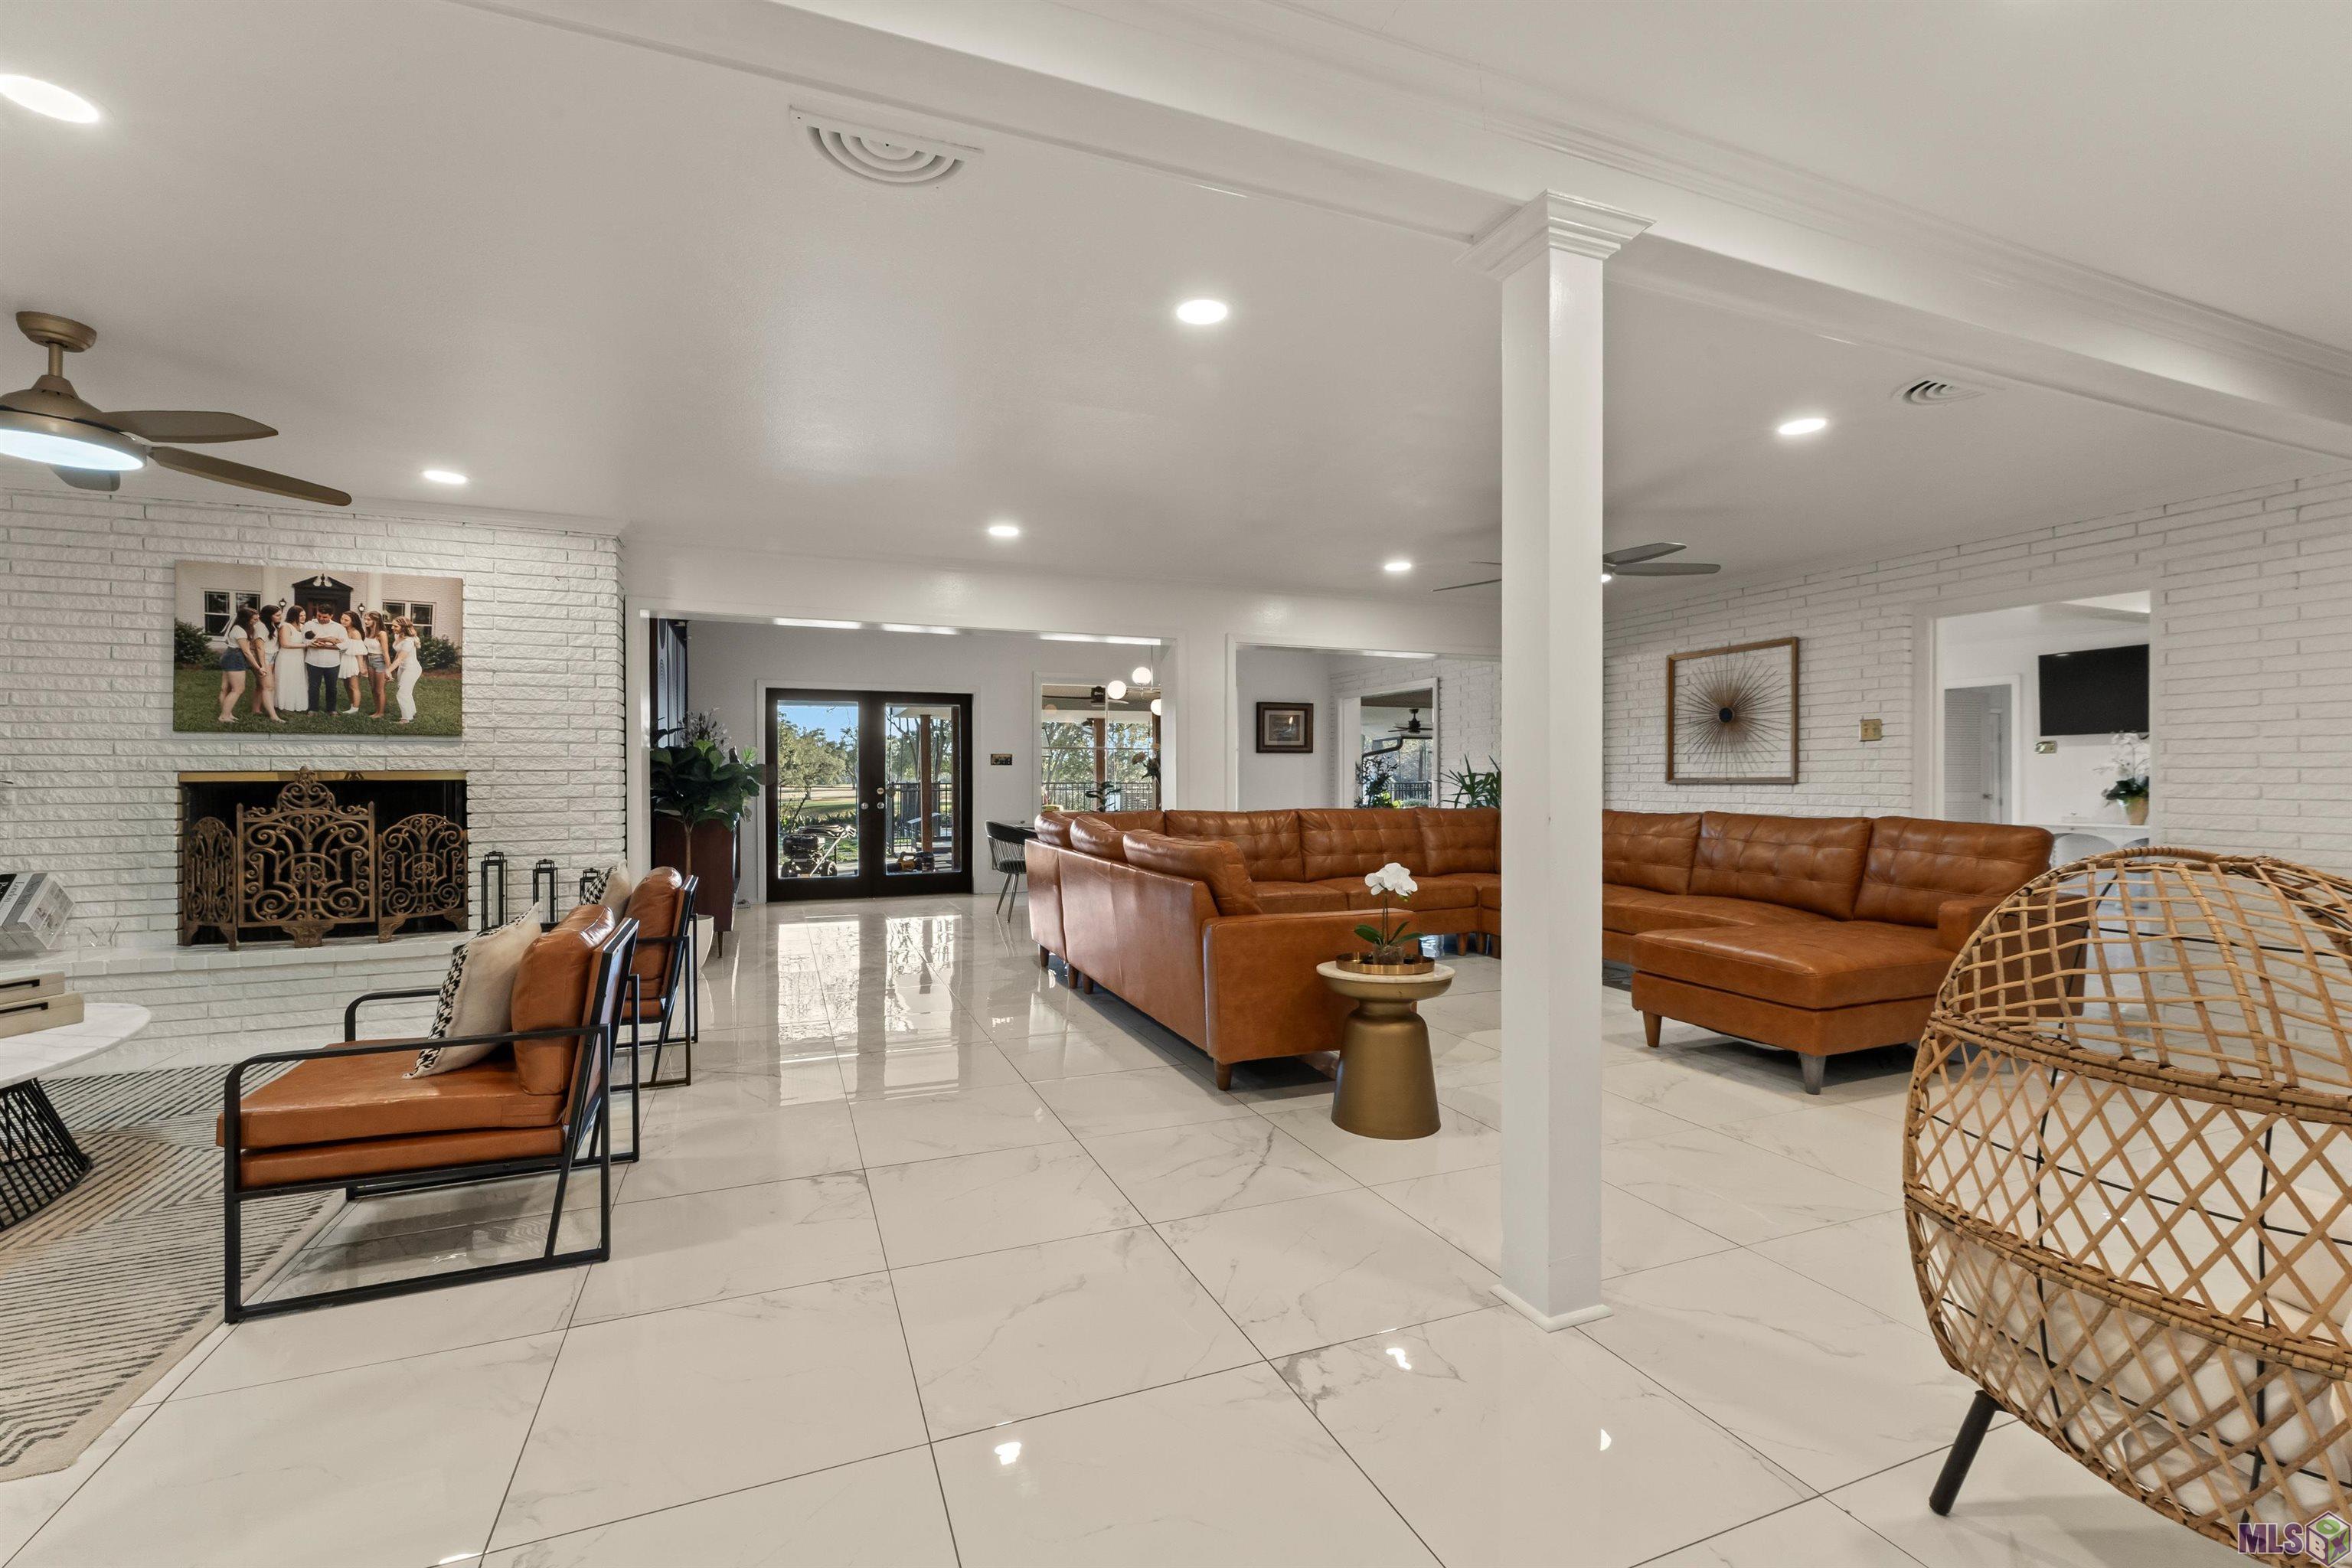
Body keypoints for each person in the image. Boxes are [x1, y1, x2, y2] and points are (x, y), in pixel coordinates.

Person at [214, 607, 254, 724]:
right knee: (238, 689)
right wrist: (257, 667)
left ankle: (227, 713)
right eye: (253, 619)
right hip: (235, 657)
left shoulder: (236, 628)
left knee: (226, 688)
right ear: (246, 619)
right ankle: (224, 716)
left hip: (229, 654)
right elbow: (246, 652)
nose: (254, 621)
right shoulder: (240, 631)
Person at [303, 604, 345, 715]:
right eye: (319, 616)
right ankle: (313, 709)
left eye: (324, 617)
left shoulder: (339, 627)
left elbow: (345, 644)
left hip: (332, 662)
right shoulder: (309, 624)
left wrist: (323, 644)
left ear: (331, 615)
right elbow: (307, 640)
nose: (321, 619)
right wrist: (330, 639)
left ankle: (331, 709)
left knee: (332, 687)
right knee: (313, 686)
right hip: (313, 661)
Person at [247, 606, 284, 722]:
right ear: (269, 616)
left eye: (280, 614)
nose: (280, 617)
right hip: (263, 658)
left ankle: (256, 710)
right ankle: (273, 716)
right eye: (277, 615)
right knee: (268, 686)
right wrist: (263, 666)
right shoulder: (261, 627)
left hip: (271, 656)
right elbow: (259, 648)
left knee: (261, 685)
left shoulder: (272, 624)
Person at [274, 604, 310, 714]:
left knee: (298, 680)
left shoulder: (303, 627)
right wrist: (306, 646)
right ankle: (284, 706)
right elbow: (285, 644)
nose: (303, 618)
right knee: (287, 680)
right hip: (287, 658)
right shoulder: (285, 626)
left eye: (304, 615)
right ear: (294, 616)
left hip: (299, 657)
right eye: (301, 616)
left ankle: (297, 704)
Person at [389, 616, 422, 724]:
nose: (392, 628)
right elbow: (398, 654)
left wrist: (387, 670)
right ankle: (412, 712)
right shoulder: (397, 636)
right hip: (403, 668)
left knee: (402, 693)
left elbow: (400, 659)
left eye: (395, 626)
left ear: (403, 627)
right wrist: (392, 669)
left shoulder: (409, 641)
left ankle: (406, 719)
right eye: (392, 625)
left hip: (412, 668)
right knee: (405, 691)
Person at [360, 610, 392, 718]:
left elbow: (386, 652)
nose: (366, 621)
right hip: (370, 660)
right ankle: (377, 711)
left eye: (368, 619)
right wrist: (364, 664)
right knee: (373, 688)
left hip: (380, 662)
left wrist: (389, 670)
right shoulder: (368, 632)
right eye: (365, 619)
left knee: (379, 689)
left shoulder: (381, 634)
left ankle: (381, 713)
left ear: (376, 621)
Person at [336, 612, 366, 714]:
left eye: (346, 620)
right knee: (346, 685)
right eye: (342, 619)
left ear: (353, 621)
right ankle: (352, 704)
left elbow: (359, 653)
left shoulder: (355, 633)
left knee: (354, 686)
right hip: (344, 659)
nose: (343, 621)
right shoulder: (343, 631)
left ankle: (355, 708)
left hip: (353, 661)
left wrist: (361, 667)